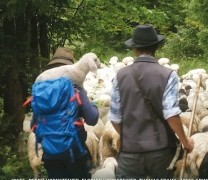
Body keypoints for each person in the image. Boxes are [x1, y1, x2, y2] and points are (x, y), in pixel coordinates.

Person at [108, 24, 194, 178]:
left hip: (130, 153)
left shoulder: (119, 76)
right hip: (160, 151)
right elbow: (171, 114)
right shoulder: (168, 75)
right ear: (156, 47)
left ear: (134, 49)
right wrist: (185, 141)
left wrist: (129, 136)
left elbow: (114, 117)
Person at [31, 47, 99, 179]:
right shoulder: (76, 89)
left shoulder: (41, 93)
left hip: (50, 154)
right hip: (74, 152)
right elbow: (92, 119)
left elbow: (34, 126)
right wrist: (94, 105)